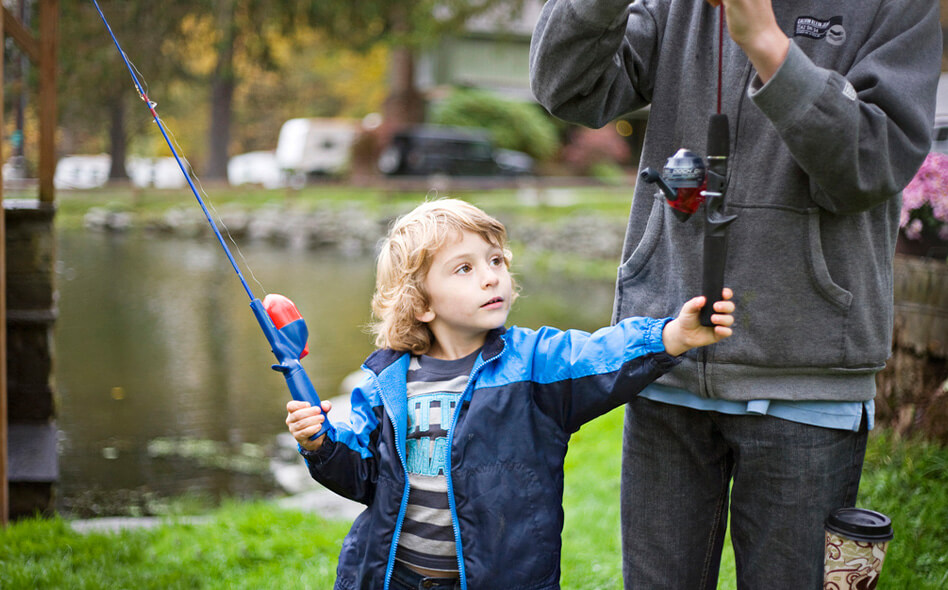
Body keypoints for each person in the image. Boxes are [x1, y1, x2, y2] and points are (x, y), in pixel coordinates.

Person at [529, 0, 941, 588]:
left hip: (808, 384)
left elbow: (870, 164)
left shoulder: (896, 8)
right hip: (666, 362)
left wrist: (768, 44)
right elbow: (569, 90)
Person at [285, 198, 735, 590]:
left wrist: (671, 334)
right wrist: (320, 444)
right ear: (420, 303)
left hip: (504, 577)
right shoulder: (383, 384)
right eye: (465, 268)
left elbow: (602, 353)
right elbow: (361, 477)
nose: (490, 278)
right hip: (395, 577)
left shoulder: (535, 363)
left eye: (495, 260)